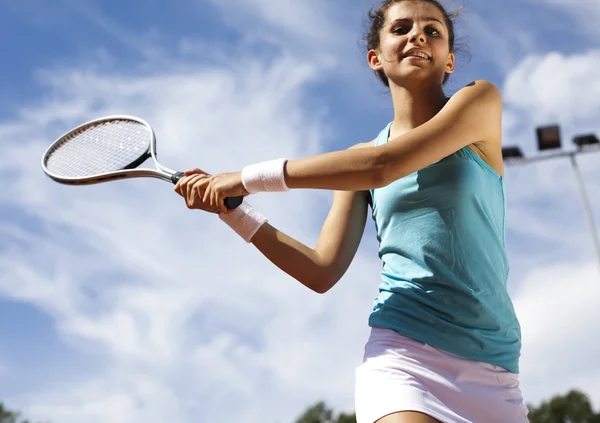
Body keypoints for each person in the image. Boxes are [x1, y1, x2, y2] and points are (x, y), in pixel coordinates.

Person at [174, 0, 529, 422]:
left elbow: (384, 166)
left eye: (432, 31)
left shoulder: (479, 102)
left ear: (449, 60)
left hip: (495, 367)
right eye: (401, 28)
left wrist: (245, 178)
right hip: (404, 354)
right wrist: (235, 212)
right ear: (375, 57)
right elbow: (321, 270)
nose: (417, 36)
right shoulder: (357, 158)